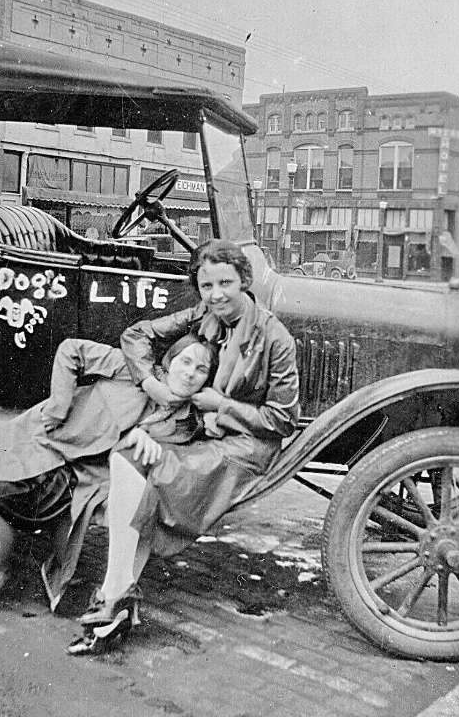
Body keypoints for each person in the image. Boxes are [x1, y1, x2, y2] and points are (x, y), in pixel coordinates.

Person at [68, 239, 300, 655]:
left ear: (245, 281)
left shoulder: (274, 338)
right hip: (199, 433)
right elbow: (136, 334)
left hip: (243, 447)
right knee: (127, 456)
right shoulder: (203, 314)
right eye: (206, 286)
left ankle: (113, 598)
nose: (217, 295)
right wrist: (150, 384)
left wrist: (223, 405)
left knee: (148, 476)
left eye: (226, 283)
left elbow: (282, 420)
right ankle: (117, 595)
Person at [0, 333, 217, 612]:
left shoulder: (186, 421)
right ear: (170, 360)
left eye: (201, 369)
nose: (190, 373)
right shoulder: (134, 368)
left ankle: (43, 563)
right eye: (185, 361)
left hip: (87, 474)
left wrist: (150, 435)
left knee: (19, 498)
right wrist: (59, 406)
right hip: (49, 441)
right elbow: (71, 350)